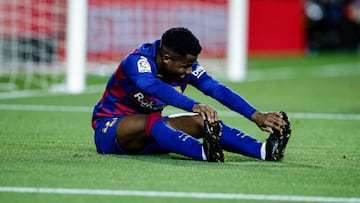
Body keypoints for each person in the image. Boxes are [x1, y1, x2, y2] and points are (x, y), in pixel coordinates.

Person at [91, 27, 291, 162]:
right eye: (186, 66)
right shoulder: (138, 62)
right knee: (152, 120)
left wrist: (256, 115)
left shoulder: (184, 65)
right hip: (111, 131)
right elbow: (154, 87)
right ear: (167, 58)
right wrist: (194, 105)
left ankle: (264, 151)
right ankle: (205, 154)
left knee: (200, 121)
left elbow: (215, 88)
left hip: (153, 135)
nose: (190, 71)